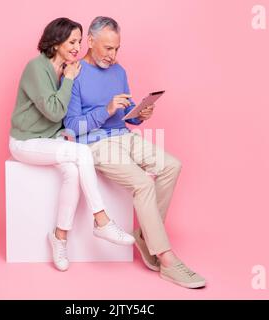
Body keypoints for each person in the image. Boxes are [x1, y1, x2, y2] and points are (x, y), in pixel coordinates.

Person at [63, 16, 206, 288]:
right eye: (107, 48)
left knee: (171, 165)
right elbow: (71, 127)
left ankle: (145, 237)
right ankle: (166, 259)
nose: (113, 55)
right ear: (90, 42)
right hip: (95, 143)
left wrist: (140, 116)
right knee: (142, 183)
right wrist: (104, 110)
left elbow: (125, 116)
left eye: (117, 48)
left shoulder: (120, 71)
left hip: (125, 136)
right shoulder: (75, 73)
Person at [9, 17, 135, 272]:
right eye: (72, 41)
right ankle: (101, 219)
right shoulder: (37, 68)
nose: (78, 47)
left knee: (72, 171)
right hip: (26, 142)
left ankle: (59, 236)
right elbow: (55, 113)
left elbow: (67, 118)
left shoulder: (69, 68)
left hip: (50, 141)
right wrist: (68, 79)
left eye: (79, 41)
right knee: (80, 153)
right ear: (56, 43)